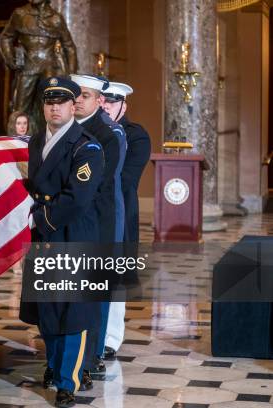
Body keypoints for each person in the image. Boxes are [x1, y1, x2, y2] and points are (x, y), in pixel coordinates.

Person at [19, 77, 103, 408]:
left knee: (72, 312)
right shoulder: (36, 140)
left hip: (72, 235)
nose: (55, 107)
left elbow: (77, 198)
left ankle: (68, 380)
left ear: (73, 106)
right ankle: (53, 367)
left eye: (62, 101)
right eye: (49, 101)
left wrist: (38, 218)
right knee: (48, 309)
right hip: (43, 236)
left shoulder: (87, 146)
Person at [71, 74, 125, 379]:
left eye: (86, 96)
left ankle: (90, 358)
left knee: (95, 296)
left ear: (99, 101)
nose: (78, 100)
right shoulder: (63, 127)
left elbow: (100, 184)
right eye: (75, 95)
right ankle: (65, 357)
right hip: (69, 222)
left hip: (99, 223)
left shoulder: (109, 132)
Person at [101, 81, 151, 360]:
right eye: (103, 100)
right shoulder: (88, 131)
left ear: (124, 106)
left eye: (112, 101)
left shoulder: (136, 136)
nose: (106, 105)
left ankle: (110, 338)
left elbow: (126, 179)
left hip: (120, 215)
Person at [0, 0, 78, 136]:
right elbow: (6, 37)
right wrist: (10, 58)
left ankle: (47, 140)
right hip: (27, 67)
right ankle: (15, 143)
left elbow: (69, 46)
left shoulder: (56, 18)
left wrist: (71, 76)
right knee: (20, 108)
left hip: (49, 68)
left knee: (50, 106)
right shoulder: (20, 14)